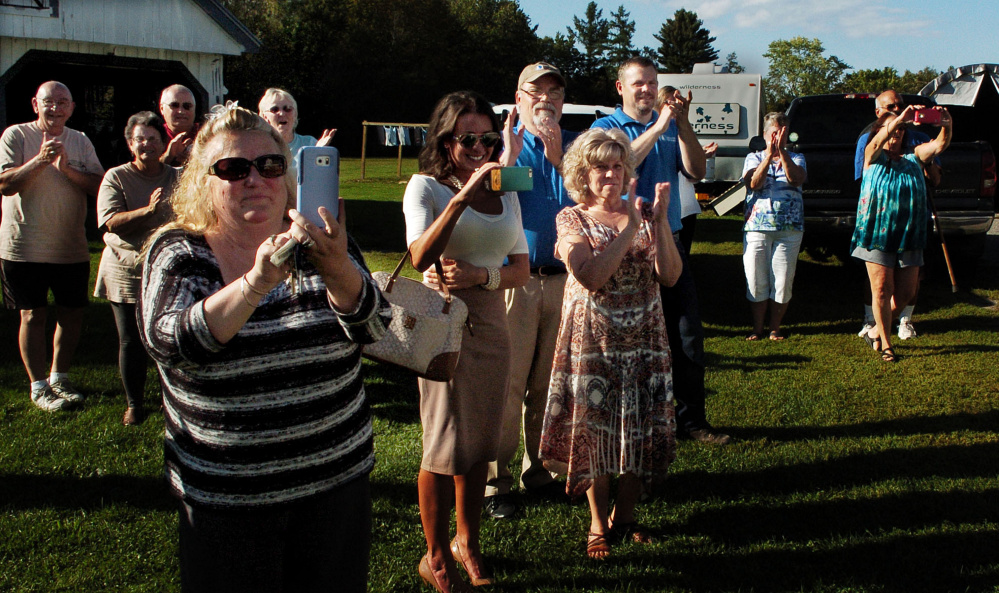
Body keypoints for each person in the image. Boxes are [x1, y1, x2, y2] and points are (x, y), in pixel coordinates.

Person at [138, 104, 389, 592]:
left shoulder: (322, 242)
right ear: (204, 183)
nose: (255, 179)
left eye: (270, 165)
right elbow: (171, 343)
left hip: (334, 486)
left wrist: (337, 266)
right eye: (233, 168)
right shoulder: (180, 252)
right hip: (228, 500)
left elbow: (376, 327)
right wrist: (255, 283)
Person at [402, 91, 529, 592]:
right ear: (446, 139)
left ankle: (467, 542)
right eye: (468, 138)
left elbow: (520, 267)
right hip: (441, 325)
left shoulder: (509, 185)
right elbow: (418, 255)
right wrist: (460, 197)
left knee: (482, 444)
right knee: (443, 444)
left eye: (488, 138)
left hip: (491, 323)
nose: (479, 147)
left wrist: (481, 276)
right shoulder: (425, 187)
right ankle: (434, 556)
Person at [539, 127, 682, 559]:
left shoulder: (642, 212)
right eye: (600, 166)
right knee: (597, 428)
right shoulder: (572, 218)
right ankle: (598, 522)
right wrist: (630, 229)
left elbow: (670, 276)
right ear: (583, 173)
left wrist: (659, 225)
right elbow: (591, 276)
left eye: (618, 165)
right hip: (594, 342)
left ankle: (627, 515)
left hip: (644, 338)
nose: (611, 175)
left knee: (638, 428)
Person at [593, 57, 730, 445]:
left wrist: (682, 124)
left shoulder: (671, 127)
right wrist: (658, 126)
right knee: (629, 339)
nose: (648, 89)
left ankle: (691, 421)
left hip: (667, 241)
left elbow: (697, 170)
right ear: (621, 88)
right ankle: (631, 426)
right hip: (623, 247)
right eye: (639, 83)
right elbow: (621, 162)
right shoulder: (606, 128)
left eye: (652, 83)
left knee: (686, 333)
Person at [483, 62, 578, 520]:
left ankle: (537, 469)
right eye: (535, 92)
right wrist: (506, 158)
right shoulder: (503, 147)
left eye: (554, 92)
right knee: (507, 384)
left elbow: (590, 207)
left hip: (564, 282)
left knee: (548, 385)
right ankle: (494, 482)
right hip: (516, 283)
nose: (546, 100)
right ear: (518, 98)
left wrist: (561, 160)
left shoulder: (576, 149)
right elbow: (488, 204)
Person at [0, 81, 104, 412]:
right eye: (49, 102)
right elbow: (5, 184)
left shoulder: (81, 141)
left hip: (70, 247)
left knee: (71, 313)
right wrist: (40, 161)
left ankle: (59, 376)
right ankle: (39, 386)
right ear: (35, 104)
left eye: (63, 102)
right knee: (32, 315)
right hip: (23, 245)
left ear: (72, 108)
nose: (55, 108)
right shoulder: (15, 136)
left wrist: (67, 169)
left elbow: (99, 186)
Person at [94, 111, 177, 425]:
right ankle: (134, 404)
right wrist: (149, 211)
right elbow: (111, 222)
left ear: (162, 141)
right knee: (131, 339)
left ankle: (170, 400)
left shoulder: (176, 176)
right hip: (125, 269)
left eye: (153, 139)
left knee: (166, 337)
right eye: (140, 139)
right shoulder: (116, 177)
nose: (147, 145)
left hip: (166, 270)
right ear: (130, 144)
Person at [851, 104, 952, 362]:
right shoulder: (871, 156)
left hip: (910, 234)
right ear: (880, 133)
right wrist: (897, 120)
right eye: (891, 132)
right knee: (882, 289)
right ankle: (886, 343)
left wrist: (946, 126)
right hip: (877, 234)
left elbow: (939, 146)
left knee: (906, 293)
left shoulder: (914, 158)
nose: (896, 136)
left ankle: (874, 330)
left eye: (900, 132)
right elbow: (875, 144)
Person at [741, 112, 807, 341]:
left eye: (783, 133)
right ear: (766, 134)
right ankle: (757, 329)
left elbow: (796, 179)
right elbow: (753, 184)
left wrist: (783, 154)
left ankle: (775, 328)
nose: (779, 137)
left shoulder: (797, 157)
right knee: (756, 278)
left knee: (782, 279)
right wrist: (769, 156)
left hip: (789, 228)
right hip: (757, 227)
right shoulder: (753, 158)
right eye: (775, 133)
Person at [657, 86, 716, 256]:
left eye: (678, 103)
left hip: (686, 208)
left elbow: (695, 176)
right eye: (669, 103)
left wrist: (701, 155)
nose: (675, 107)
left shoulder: (683, 131)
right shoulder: (653, 131)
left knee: (682, 261)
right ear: (659, 104)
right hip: (666, 209)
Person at [257, 87, 336, 167]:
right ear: (265, 117)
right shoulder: (258, 147)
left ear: (295, 114)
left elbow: (322, 177)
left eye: (287, 109)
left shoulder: (310, 144)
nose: (282, 113)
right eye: (275, 109)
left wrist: (317, 154)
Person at [159, 84, 199, 166]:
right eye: (174, 105)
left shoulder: (207, 134)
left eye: (187, 106)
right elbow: (145, 172)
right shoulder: (154, 135)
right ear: (162, 109)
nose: (181, 111)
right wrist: (168, 156)